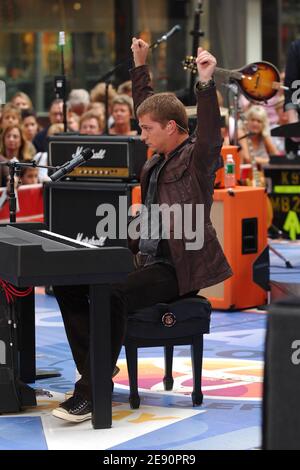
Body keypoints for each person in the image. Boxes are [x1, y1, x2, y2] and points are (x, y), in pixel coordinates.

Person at [51, 38, 232, 423]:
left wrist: (205, 83)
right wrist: (139, 64)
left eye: (148, 129)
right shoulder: (158, 155)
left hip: (178, 266)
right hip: (144, 256)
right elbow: (150, 106)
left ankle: (92, 389)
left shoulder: (197, 158)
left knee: (114, 292)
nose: (142, 134)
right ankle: (96, 371)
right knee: (67, 282)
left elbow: (212, 132)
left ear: (172, 127)